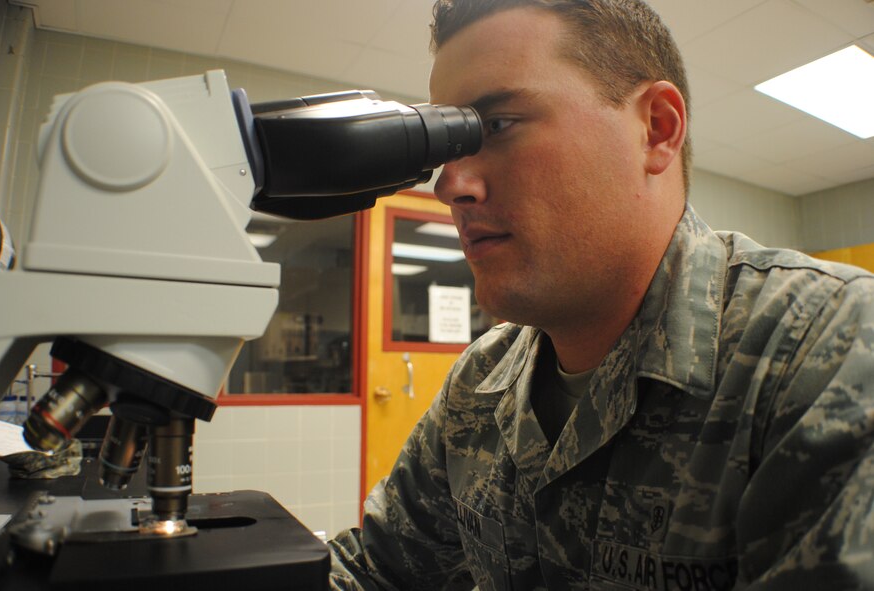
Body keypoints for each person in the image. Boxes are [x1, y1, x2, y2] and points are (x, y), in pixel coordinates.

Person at [328, 0, 874, 589]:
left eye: (497, 126)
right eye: (449, 146)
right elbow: (377, 571)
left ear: (656, 129)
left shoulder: (826, 347)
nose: (451, 186)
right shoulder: (480, 382)